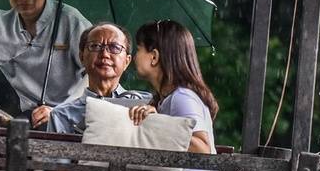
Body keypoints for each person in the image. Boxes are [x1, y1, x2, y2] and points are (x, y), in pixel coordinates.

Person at [127, 19, 218, 154]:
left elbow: (202, 150)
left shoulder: (181, 97)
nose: (135, 56)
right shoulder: (165, 99)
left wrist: (158, 123)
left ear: (154, 57)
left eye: (139, 49)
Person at [45, 22, 151, 134]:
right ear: (81, 57)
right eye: (95, 46)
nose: (104, 54)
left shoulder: (145, 104)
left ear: (127, 61)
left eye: (114, 47)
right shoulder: (61, 116)